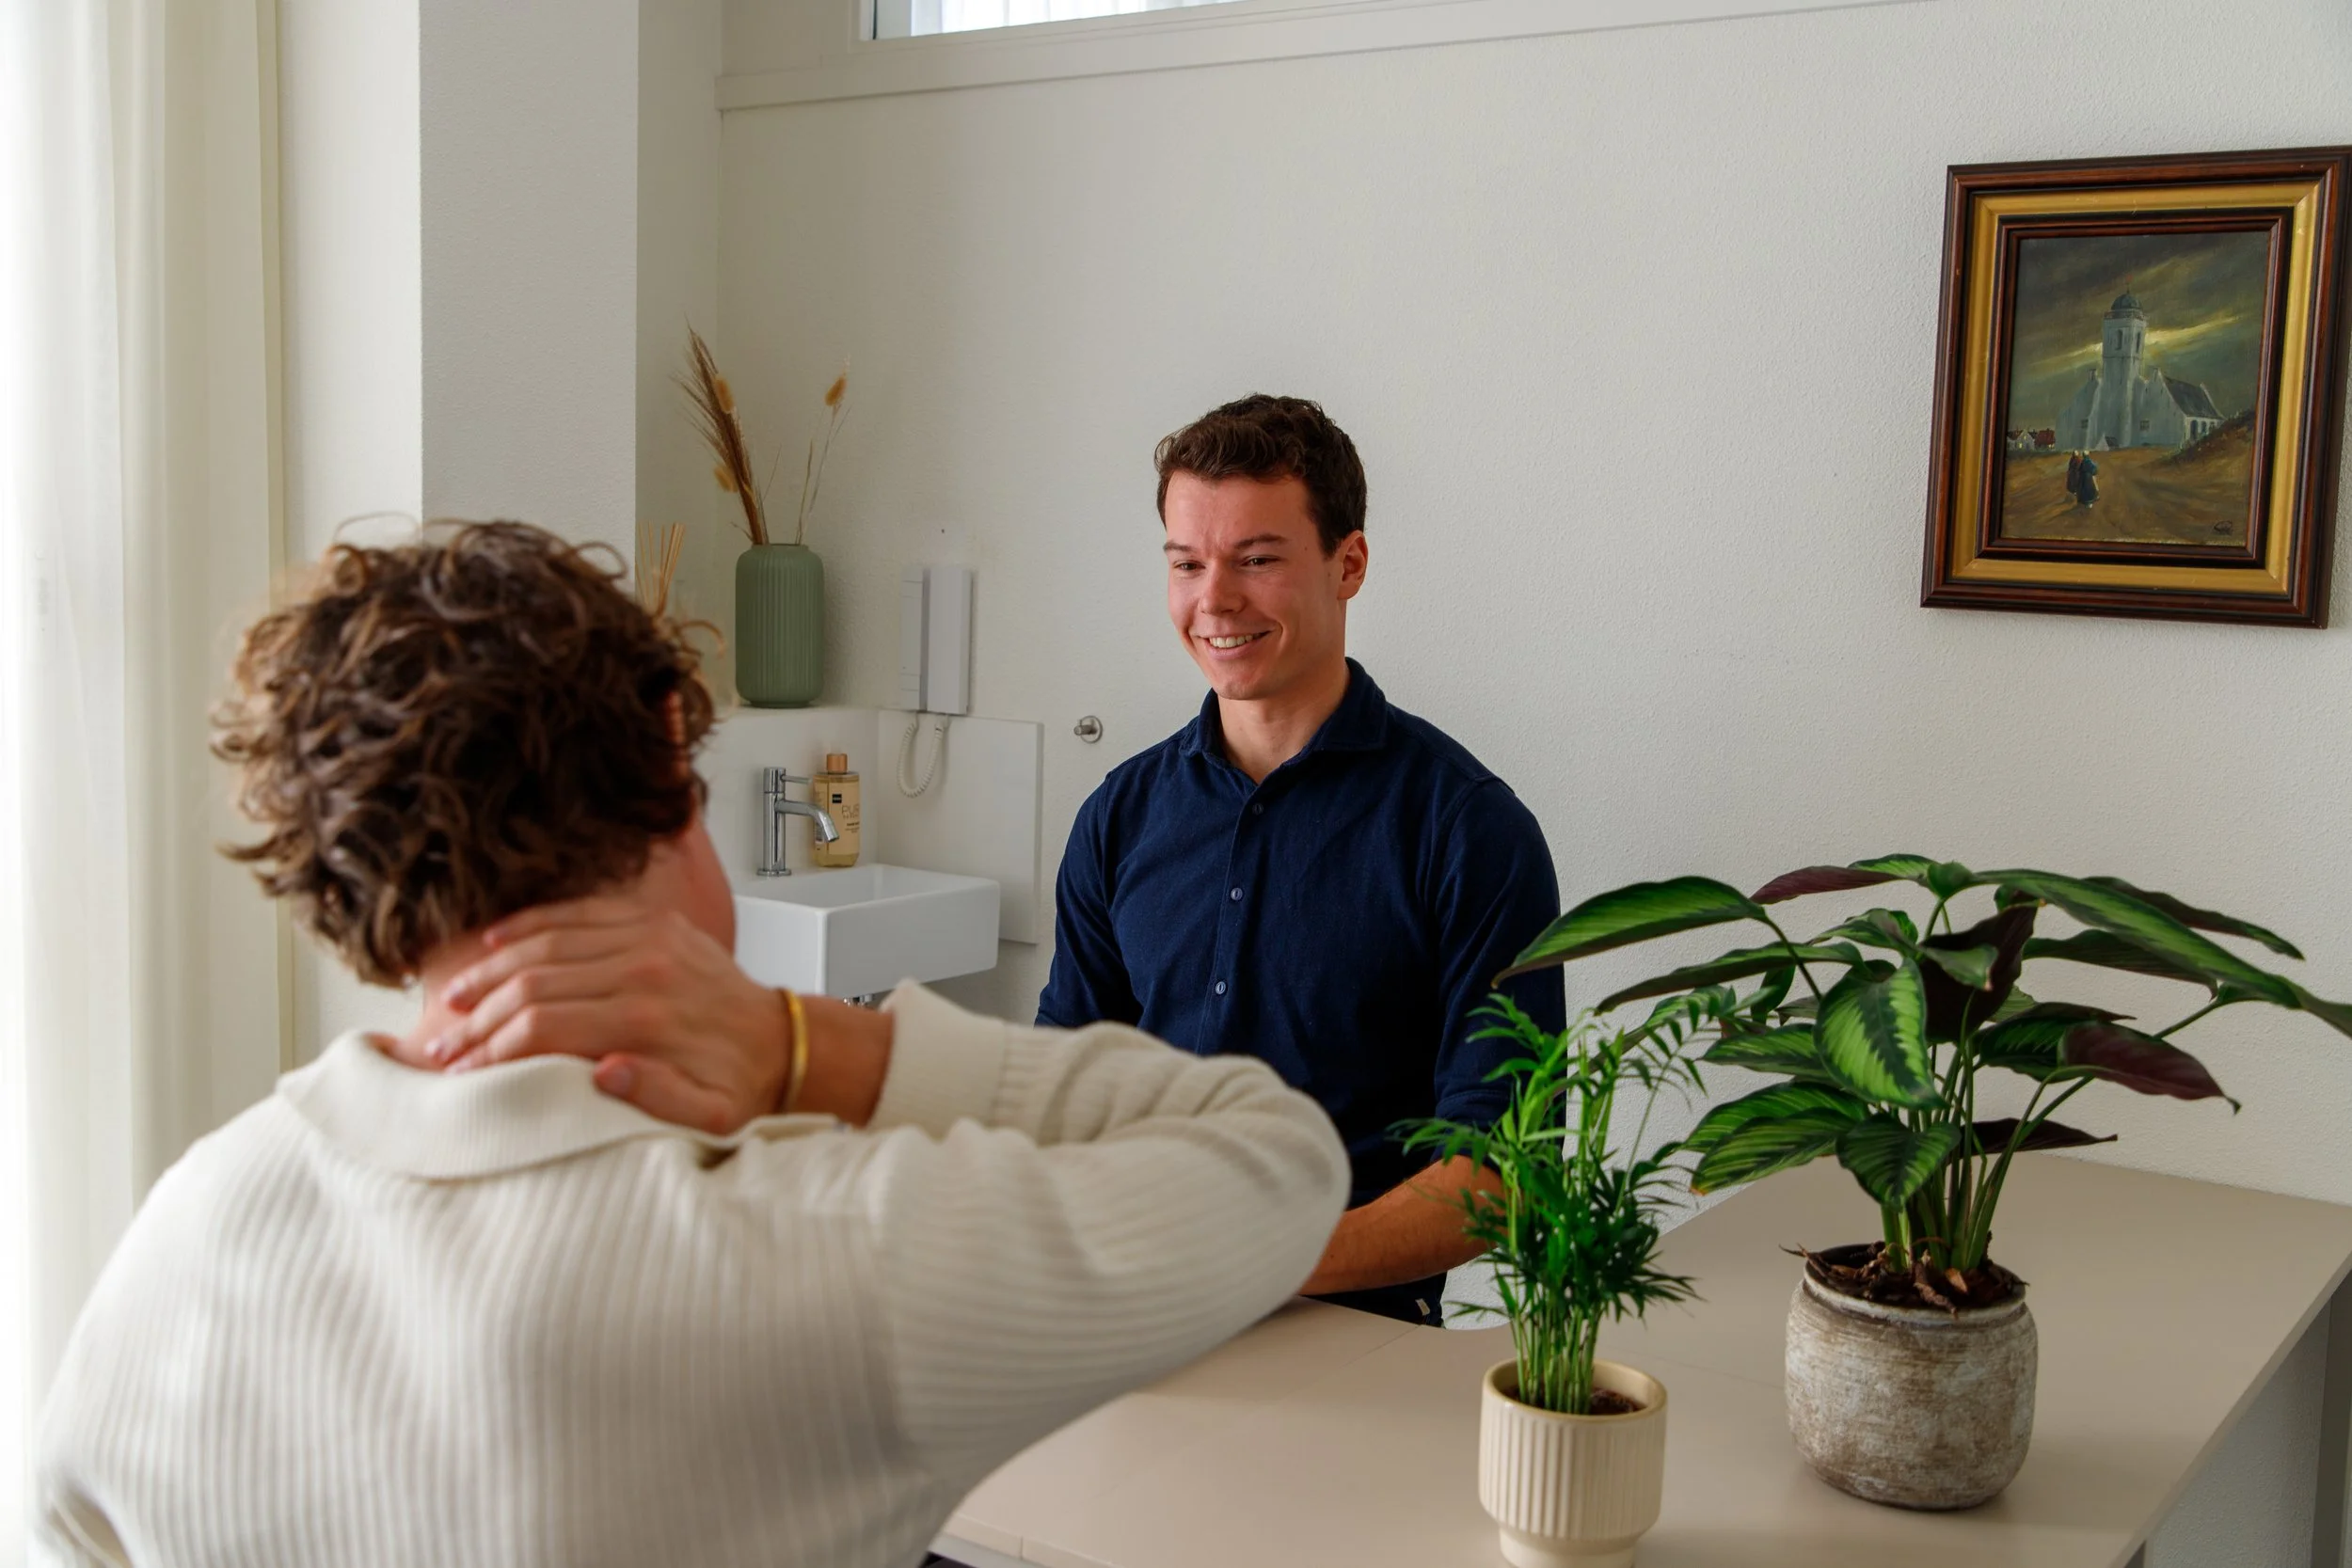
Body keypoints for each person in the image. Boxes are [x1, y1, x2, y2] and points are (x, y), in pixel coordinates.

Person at [35, 521, 1348, 1568]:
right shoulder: (823, 1253)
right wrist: (808, 1044)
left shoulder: (189, 1226)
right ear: (670, 755)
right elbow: (1277, 1160)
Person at [1038, 395, 1565, 1327]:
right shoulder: (1118, 815)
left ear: (1347, 563)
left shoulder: (1469, 830)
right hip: (1120, 1317)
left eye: (1257, 559)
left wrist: (1257, 1264)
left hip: (1351, 1338)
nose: (1214, 600)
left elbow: (1500, 1170)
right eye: (1187, 563)